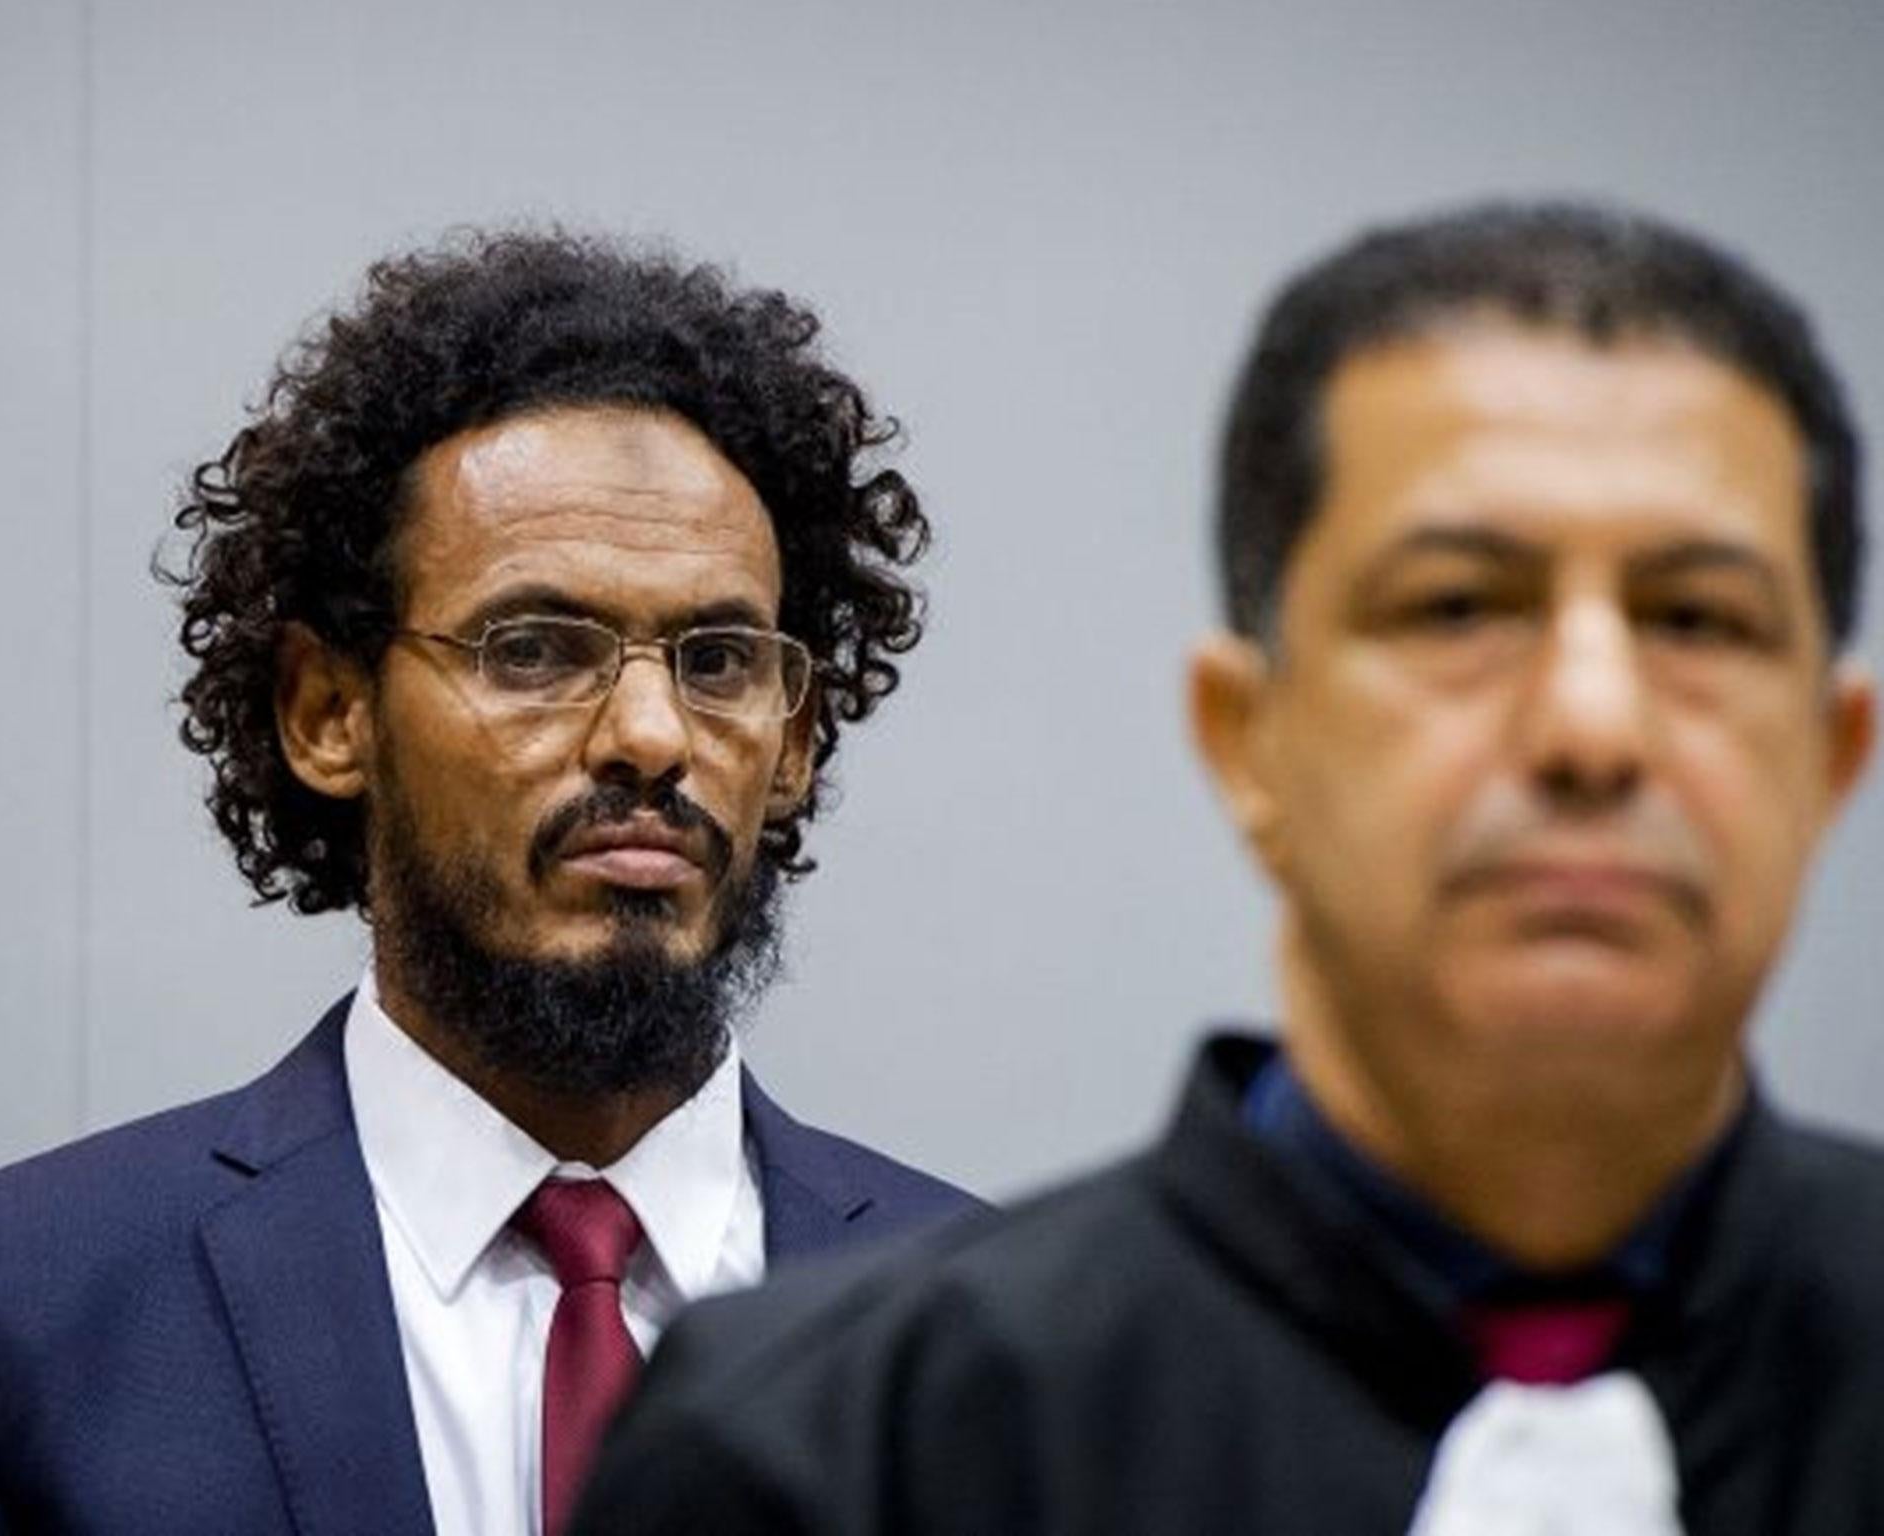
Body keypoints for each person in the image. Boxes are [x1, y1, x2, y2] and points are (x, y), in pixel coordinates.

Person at [569, 201, 1881, 1535]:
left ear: (1833, 756)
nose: (1592, 727)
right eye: (1459, 607)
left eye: (1698, 620)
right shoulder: (829, 1457)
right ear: (1246, 738)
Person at [0, 231, 976, 1536]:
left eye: (719, 659)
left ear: (795, 744)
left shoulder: (1019, 1348)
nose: (652, 735)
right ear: (328, 710)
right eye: (538, 647)